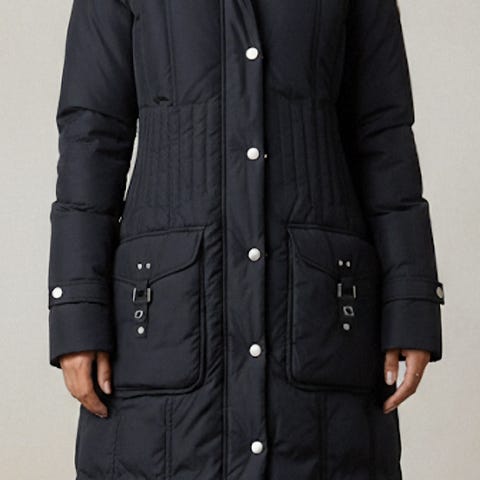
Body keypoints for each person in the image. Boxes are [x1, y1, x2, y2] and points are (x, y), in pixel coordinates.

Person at [47, 0, 445, 478]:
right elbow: (92, 138)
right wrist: (77, 308)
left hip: (318, 316)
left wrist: (411, 298)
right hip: (167, 320)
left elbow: (383, 135)